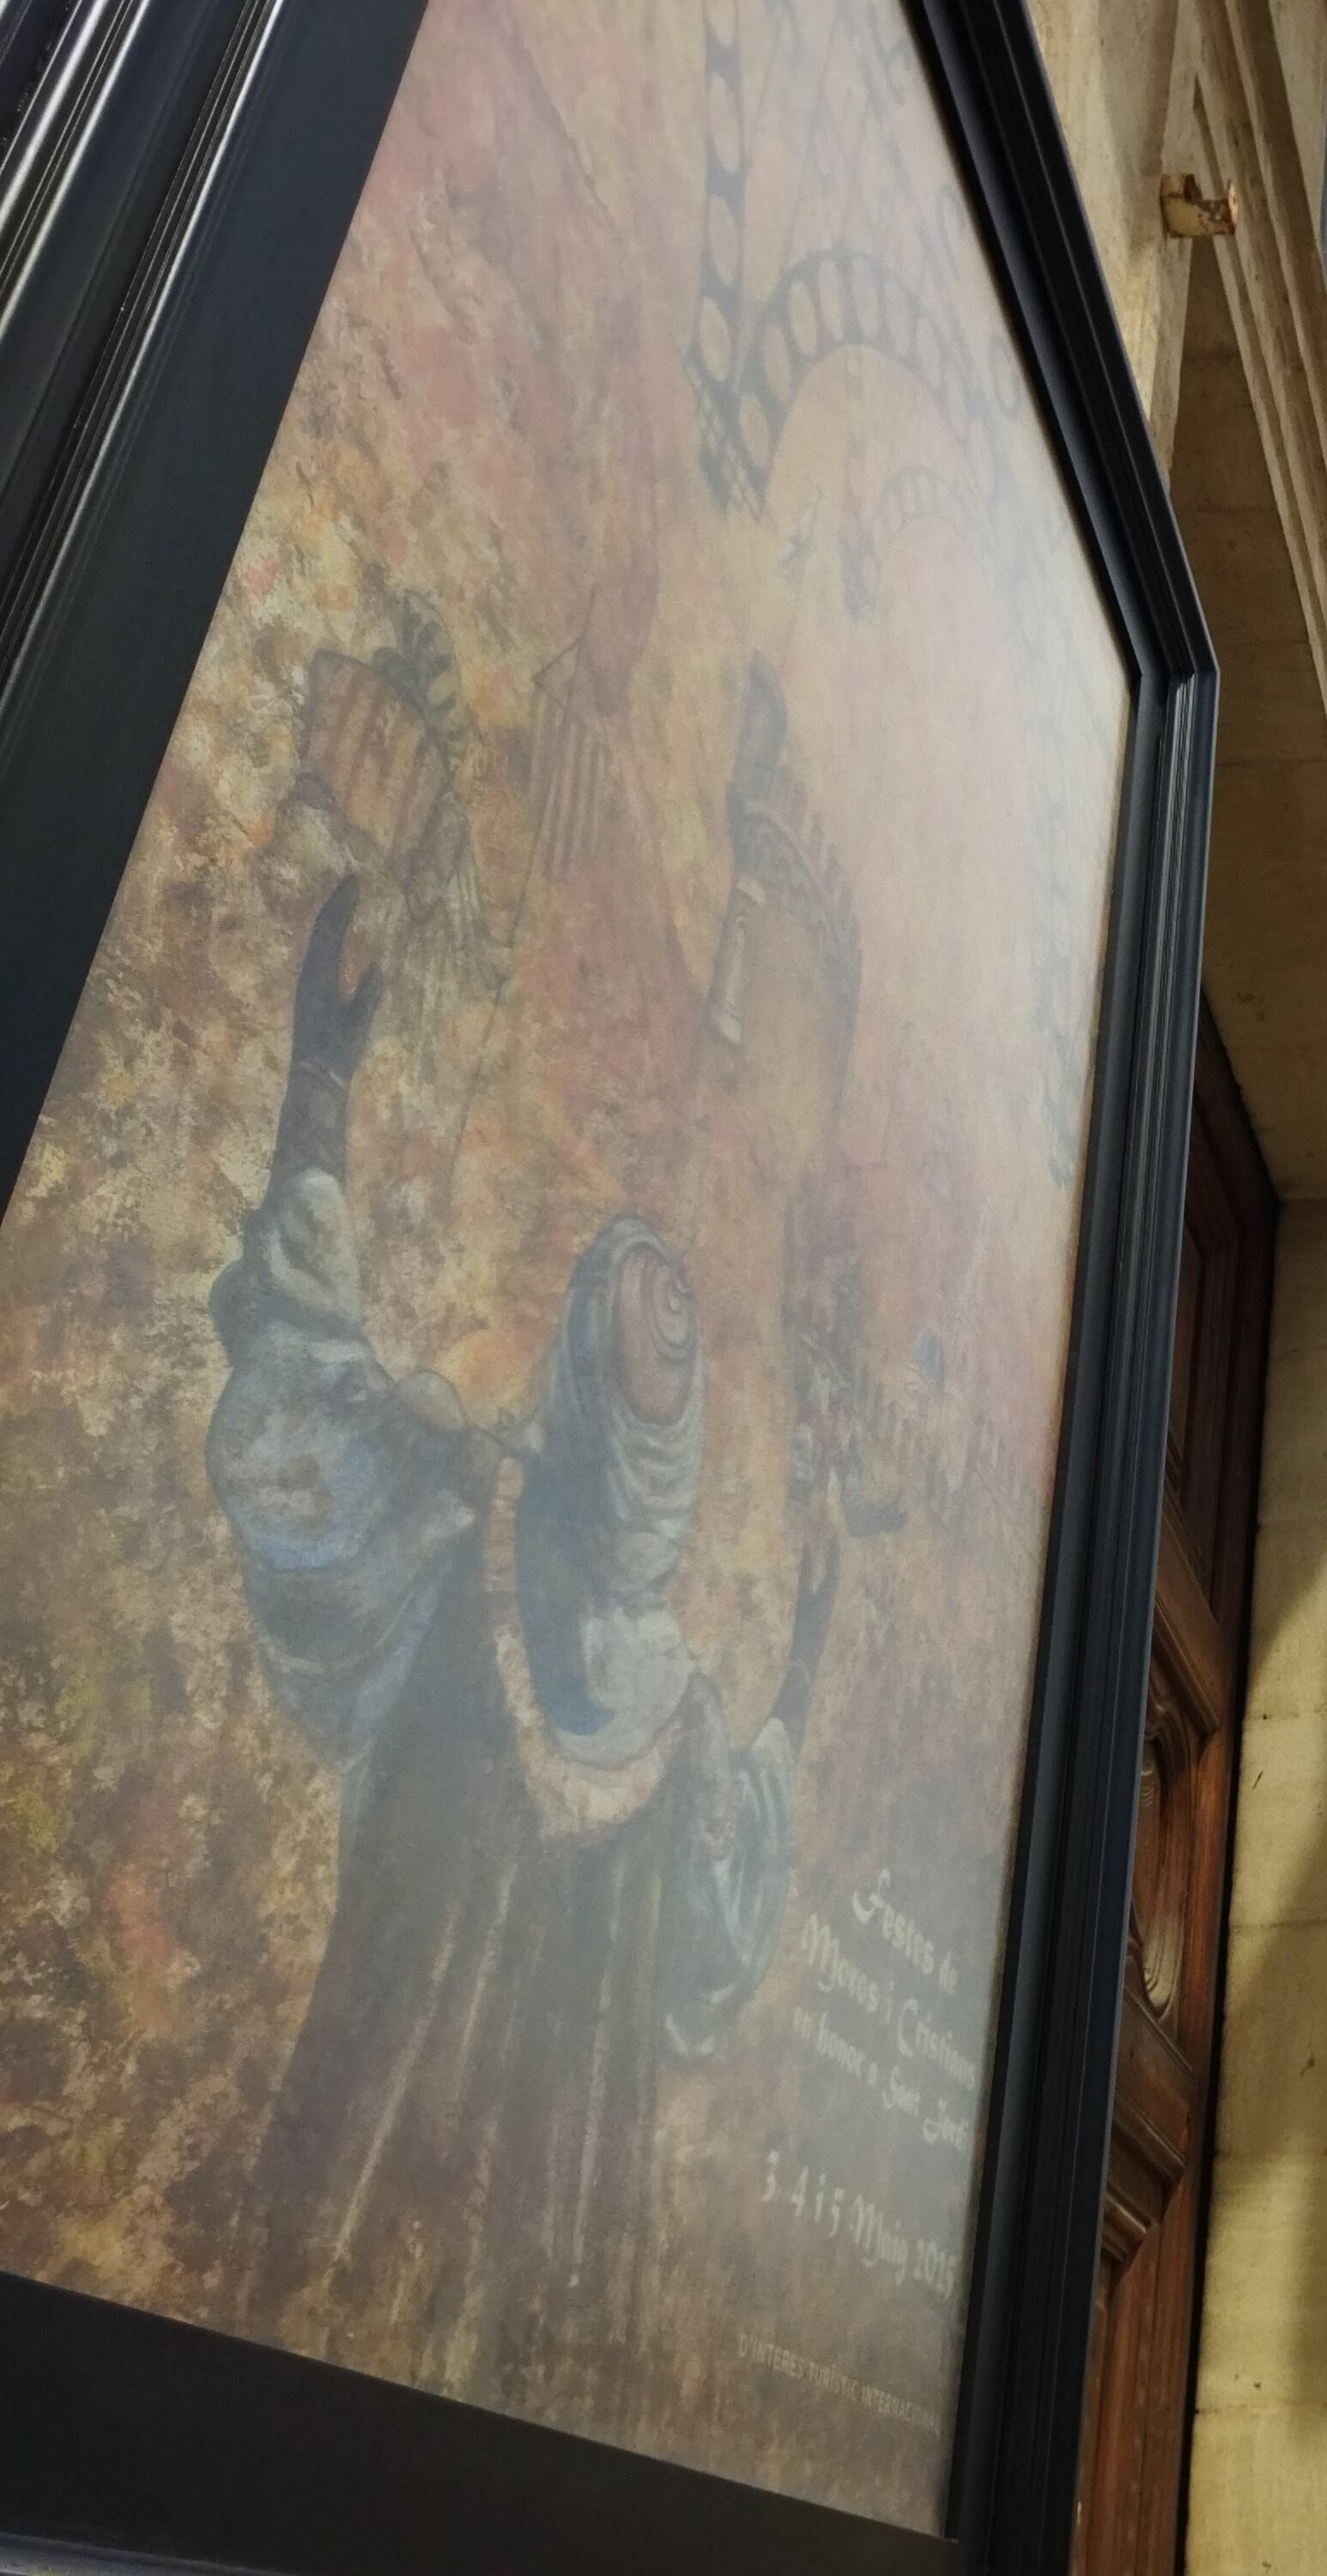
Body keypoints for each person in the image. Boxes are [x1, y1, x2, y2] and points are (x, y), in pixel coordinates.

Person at [207, 873, 831, 2420]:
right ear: (580, 1346)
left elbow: (721, 1927)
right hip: (333, 2254)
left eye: (682, 1303)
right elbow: (301, 1399)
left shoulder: (681, 1717)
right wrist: (319, 1084)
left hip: (550, 2349)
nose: (668, 1308)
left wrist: (811, 1653)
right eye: (639, 1286)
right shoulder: (462, 1502)